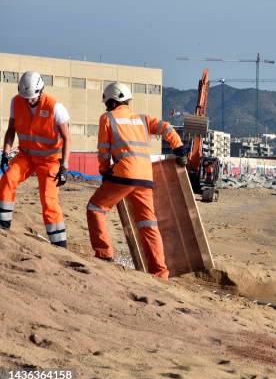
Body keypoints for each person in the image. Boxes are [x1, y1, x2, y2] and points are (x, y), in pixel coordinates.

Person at [86, 82, 187, 280]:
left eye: (107, 103)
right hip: (145, 177)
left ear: (112, 102)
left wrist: (104, 172)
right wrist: (179, 148)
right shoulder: (141, 119)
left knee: (95, 209)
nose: (106, 107)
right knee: (148, 224)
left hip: (124, 174)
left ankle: (104, 254)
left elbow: (103, 150)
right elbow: (166, 128)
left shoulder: (107, 118)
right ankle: (160, 273)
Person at [0, 71, 71, 247]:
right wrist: (6, 153)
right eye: (25, 97)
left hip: (49, 161)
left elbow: (67, 138)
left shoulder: (56, 108)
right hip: (25, 156)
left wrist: (64, 167)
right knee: (8, 179)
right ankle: (3, 226)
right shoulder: (16, 102)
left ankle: (59, 244)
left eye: (32, 97)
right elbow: (11, 130)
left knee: (49, 200)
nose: (28, 101)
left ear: (41, 91)